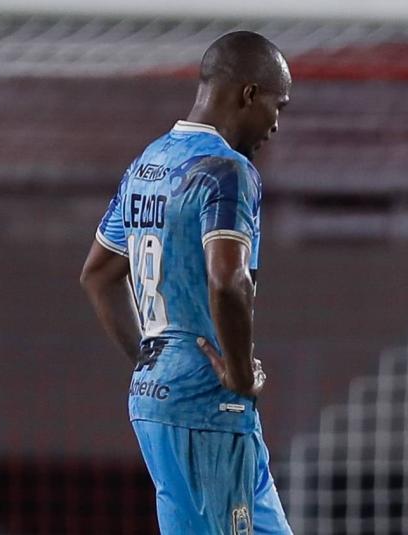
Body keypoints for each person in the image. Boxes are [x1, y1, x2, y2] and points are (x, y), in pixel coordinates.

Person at [79, 31, 293, 534]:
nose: (276, 123)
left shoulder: (149, 164)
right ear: (248, 94)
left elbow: (98, 275)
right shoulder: (226, 170)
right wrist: (238, 373)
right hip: (207, 402)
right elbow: (228, 280)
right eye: (277, 105)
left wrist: (153, 358)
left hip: (162, 395)